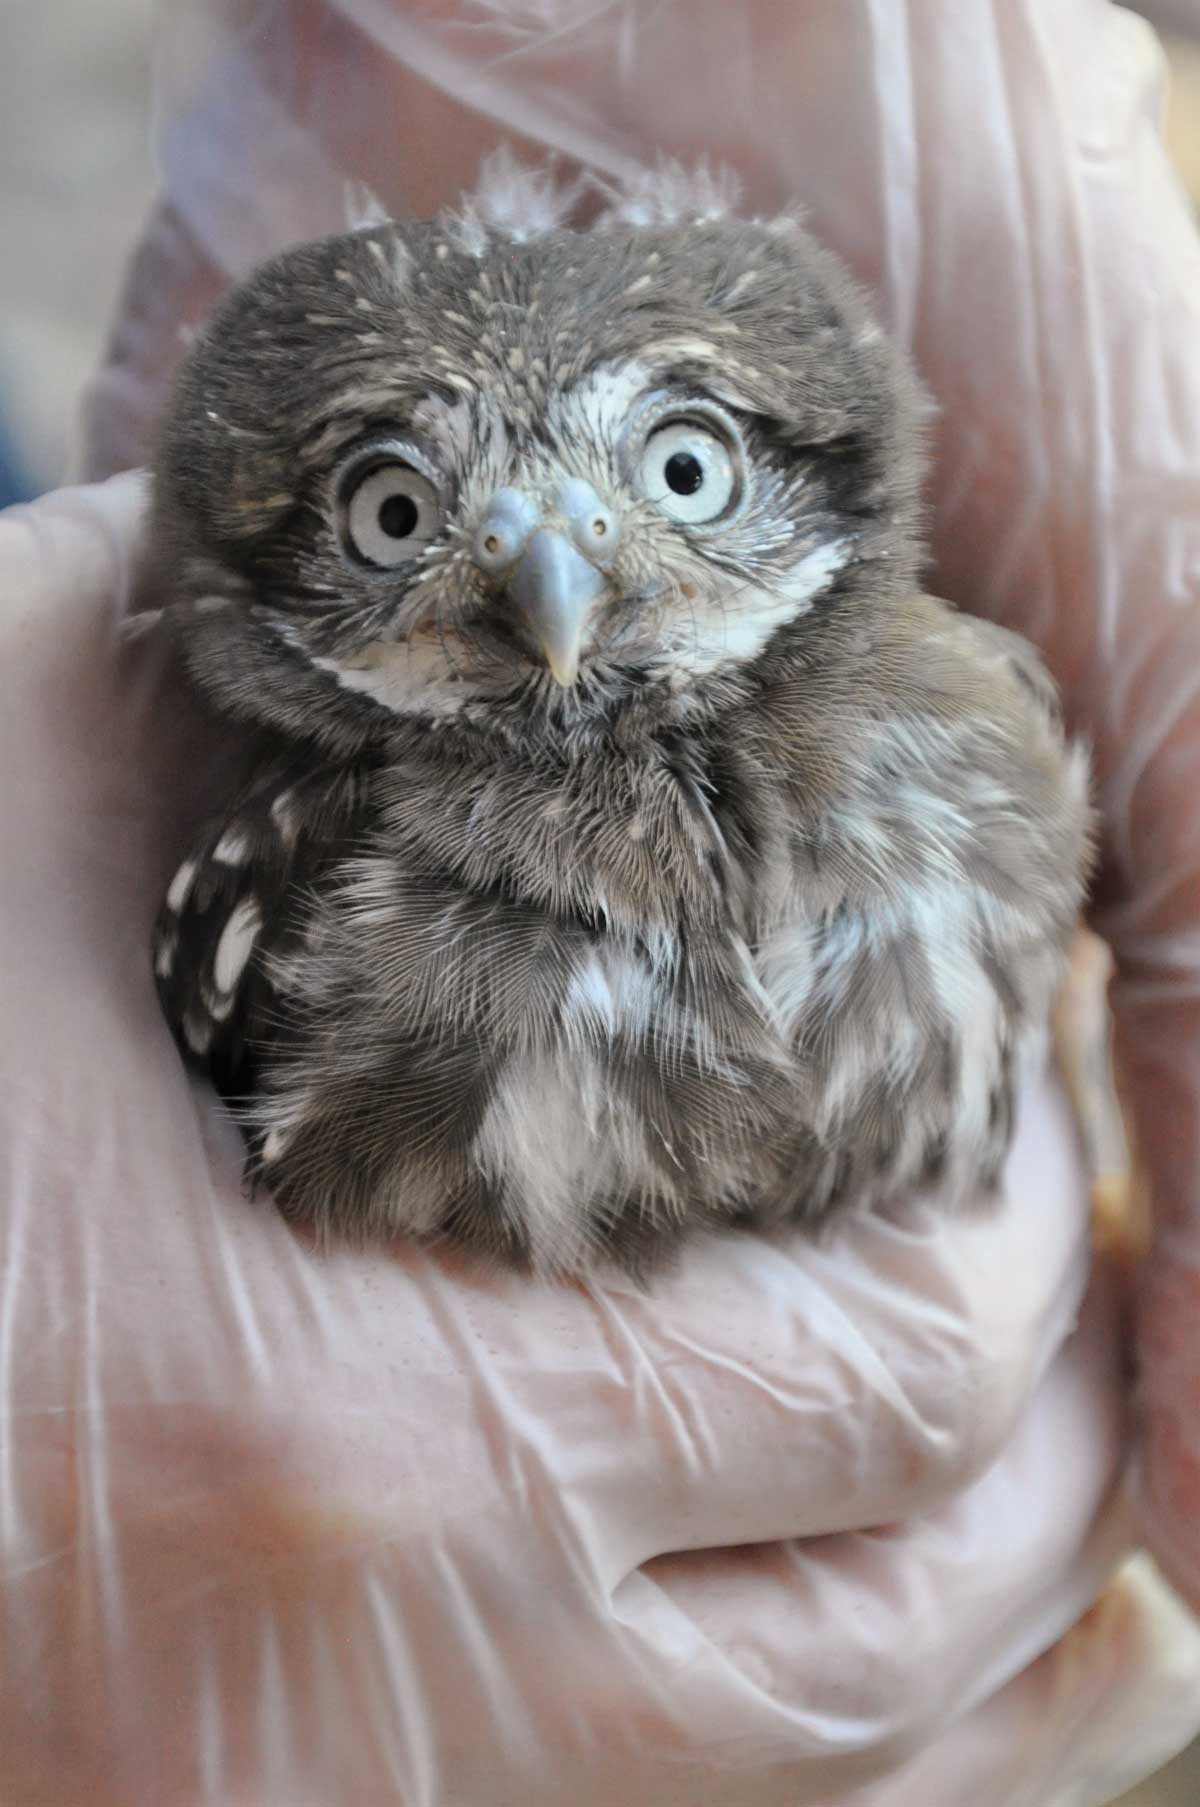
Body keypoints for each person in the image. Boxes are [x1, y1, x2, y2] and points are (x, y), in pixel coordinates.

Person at [3, 2, 1200, 1800]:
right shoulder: (302, 851)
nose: (557, 578)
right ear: (260, 567)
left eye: (682, 471)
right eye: (395, 514)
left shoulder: (961, 722)